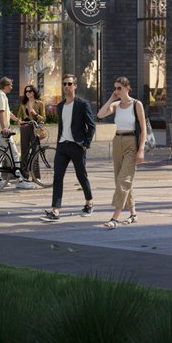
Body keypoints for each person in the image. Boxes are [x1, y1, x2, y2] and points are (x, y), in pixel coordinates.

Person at [42, 74, 97, 222]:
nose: (66, 86)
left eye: (69, 84)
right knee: (57, 177)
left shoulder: (82, 104)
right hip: (62, 146)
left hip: (77, 146)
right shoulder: (60, 106)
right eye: (64, 84)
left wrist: (86, 144)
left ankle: (89, 202)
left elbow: (91, 125)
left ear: (75, 86)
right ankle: (55, 210)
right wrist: (59, 142)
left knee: (81, 175)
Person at [96, 77, 147, 228]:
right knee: (120, 178)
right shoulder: (116, 105)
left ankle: (115, 217)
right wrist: (111, 98)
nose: (117, 91)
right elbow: (100, 115)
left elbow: (143, 128)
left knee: (124, 179)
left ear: (127, 88)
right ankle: (133, 213)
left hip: (132, 142)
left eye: (119, 88)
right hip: (117, 141)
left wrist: (141, 150)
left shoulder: (137, 104)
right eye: (115, 88)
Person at [0, 77, 22, 184]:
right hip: (3, 131)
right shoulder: (0, 96)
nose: (12, 87)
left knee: (0, 154)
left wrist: (17, 120)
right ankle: (20, 180)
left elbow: (7, 112)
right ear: (5, 85)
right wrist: (4, 128)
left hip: (1, 130)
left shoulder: (1, 95)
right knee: (14, 154)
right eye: (10, 85)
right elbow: (1, 112)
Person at [18, 84, 45, 187]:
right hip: (24, 129)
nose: (27, 93)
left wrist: (35, 114)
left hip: (35, 129)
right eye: (26, 91)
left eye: (29, 91)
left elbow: (44, 118)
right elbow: (19, 117)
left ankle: (35, 176)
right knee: (24, 152)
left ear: (34, 92)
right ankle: (24, 176)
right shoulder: (23, 104)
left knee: (35, 151)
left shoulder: (40, 103)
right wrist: (19, 122)